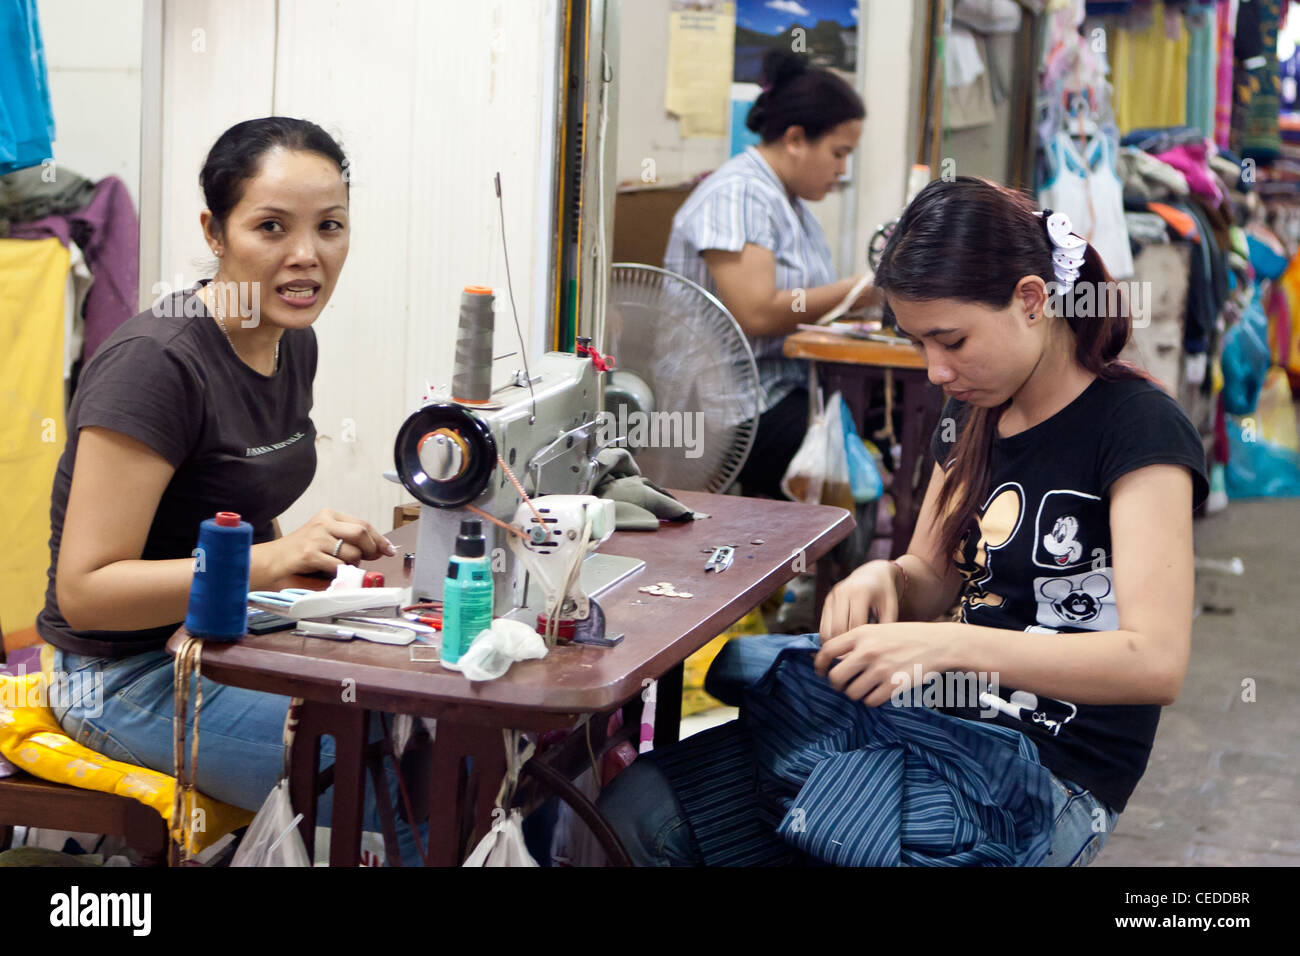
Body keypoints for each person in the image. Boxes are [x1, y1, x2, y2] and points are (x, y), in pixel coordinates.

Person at [598, 176, 1208, 866]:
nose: (936, 370)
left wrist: (946, 648)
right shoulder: (975, 410)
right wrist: (883, 577)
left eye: (950, 340)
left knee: (825, 836)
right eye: (919, 343)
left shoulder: (1138, 430)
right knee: (638, 815)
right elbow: (928, 577)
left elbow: (1155, 662)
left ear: (1032, 300)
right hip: (934, 721)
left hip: (1048, 776)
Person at [37, 117, 425, 863]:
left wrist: (300, 584)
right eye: (271, 227)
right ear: (215, 232)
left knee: (424, 726)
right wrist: (268, 567)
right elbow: (84, 591)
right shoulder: (157, 365)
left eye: (330, 226)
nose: (306, 256)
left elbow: (239, 502)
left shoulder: (288, 339)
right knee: (385, 785)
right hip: (120, 678)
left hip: (222, 639)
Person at [663, 50, 869, 499]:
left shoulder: (786, 202)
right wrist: (863, 290)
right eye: (839, 153)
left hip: (772, 388)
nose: (842, 170)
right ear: (796, 139)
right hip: (723, 406)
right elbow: (757, 312)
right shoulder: (741, 194)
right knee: (834, 442)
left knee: (872, 415)